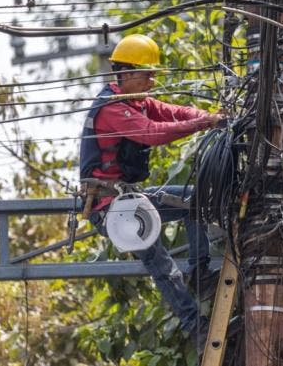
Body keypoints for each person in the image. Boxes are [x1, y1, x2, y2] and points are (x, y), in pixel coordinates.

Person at [78, 33, 222, 352]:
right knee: (160, 262)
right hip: (109, 208)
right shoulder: (112, 109)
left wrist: (208, 118)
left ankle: (200, 273)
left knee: (192, 203)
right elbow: (151, 134)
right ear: (127, 73)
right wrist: (203, 124)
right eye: (148, 74)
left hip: (128, 198)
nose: (153, 81)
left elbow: (174, 113)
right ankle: (194, 326)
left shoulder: (136, 100)